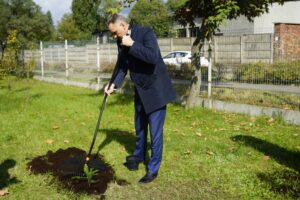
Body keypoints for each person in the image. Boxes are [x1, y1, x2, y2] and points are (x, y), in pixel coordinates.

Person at [105, 14, 176, 184]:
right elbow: (122, 66)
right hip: (140, 89)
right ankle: (138, 155)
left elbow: (152, 57)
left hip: (156, 90)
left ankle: (153, 169)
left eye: (115, 33)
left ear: (123, 25)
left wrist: (133, 45)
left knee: (155, 133)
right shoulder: (120, 40)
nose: (114, 37)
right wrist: (113, 84)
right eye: (112, 34)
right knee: (140, 126)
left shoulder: (145, 33)